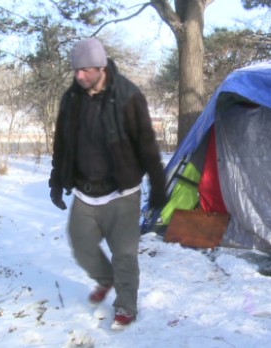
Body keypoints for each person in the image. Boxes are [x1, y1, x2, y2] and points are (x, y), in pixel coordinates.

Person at [48, 38, 166, 329]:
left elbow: (147, 145)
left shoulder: (128, 96)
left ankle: (126, 304)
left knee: (124, 253)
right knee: (81, 244)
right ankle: (105, 278)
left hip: (122, 191)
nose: (79, 76)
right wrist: (56, 180)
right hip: (86, 191)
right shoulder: (71, 98)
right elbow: (61, 142)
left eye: (85, 70)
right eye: (75, 70)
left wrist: (159, 186)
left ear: (101, 67)